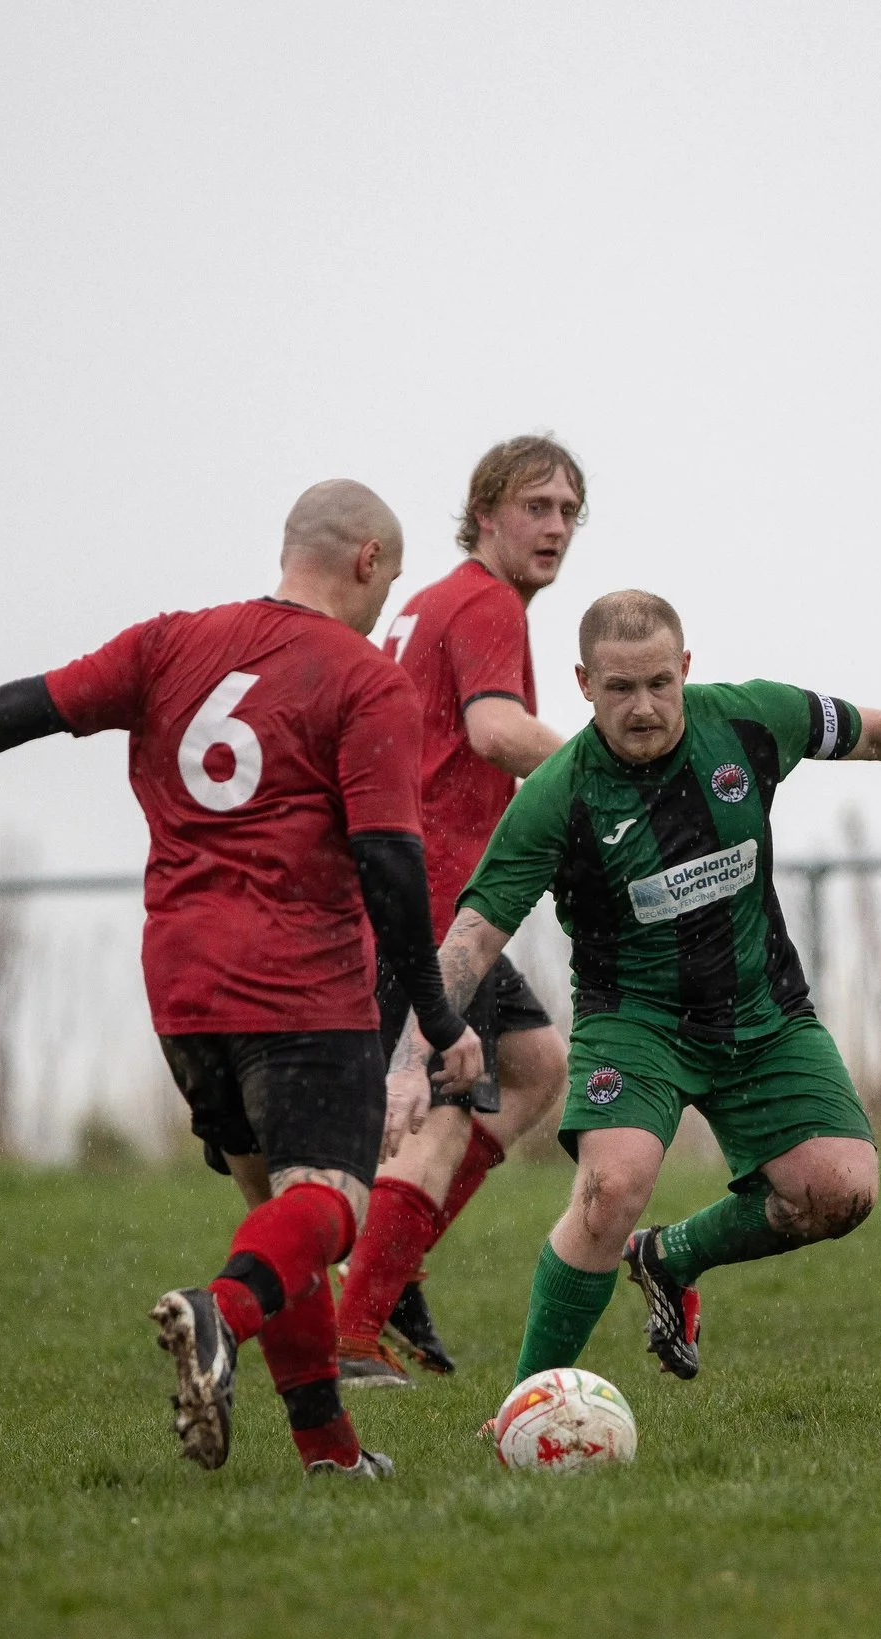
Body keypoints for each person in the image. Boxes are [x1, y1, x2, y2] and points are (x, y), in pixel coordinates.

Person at [0, 480, 483, 1472]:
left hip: (184, 986)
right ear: (367, 561)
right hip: (301, 983)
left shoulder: (170, 643)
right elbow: (387, 858)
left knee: (273, 1215)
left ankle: (330, 1452)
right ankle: (218, 1313)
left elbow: (35, 705)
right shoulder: (366, 679)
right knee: (333, 1204)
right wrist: (436, 1016)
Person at [397, 589, 881, 1388]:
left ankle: (669, 1261)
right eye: (619, 688)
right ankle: (524, 1409)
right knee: (611, 1187)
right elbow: (470, 940)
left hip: (762, 1013)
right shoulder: (557, 797)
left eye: (658, 683)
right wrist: (410, 1056)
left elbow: (879, 733)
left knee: (841, 1191)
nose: (642, 707)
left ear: (686, 671)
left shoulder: (749, 719)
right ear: (583, 683)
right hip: (635, 1022)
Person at [334, 437, 582, 1389]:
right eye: (536, 506)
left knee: (533, 1064)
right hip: (433, 903)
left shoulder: (429, 601)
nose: (555, 526)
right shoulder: (485, 601)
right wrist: (604, 772)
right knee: (447, 1102)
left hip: (408, 890)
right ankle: (357, 1328)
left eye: (568, 511)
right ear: (484, 513)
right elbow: (494, 729)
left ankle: (389, 1270)